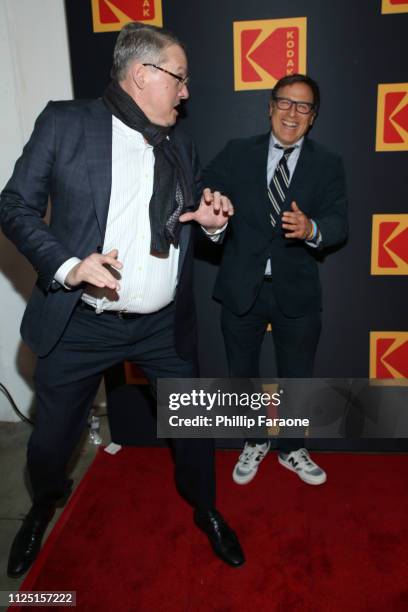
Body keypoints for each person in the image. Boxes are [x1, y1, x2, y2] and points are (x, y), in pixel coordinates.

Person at [0, 22, 245, 578]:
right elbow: (13, 205)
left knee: (194, 428)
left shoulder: (180, 140)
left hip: (161, 326)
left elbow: (190, 218)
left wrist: (211, 225)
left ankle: (204, 508)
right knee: (51, 439)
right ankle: (42, 504)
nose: (186, 92)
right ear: (143, 75)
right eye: (179, 79)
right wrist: (68, 264)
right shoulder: (67, 124)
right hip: (81, 321)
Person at [203, 74, 348, 487]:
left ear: (312, 118)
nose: (292, 112)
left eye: (303, 107)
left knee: (297, 374)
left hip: (297, 289)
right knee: (241, 373)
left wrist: (312, 229)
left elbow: (339, 222)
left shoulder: (328, 163)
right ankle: (254, 440)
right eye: (285, 102)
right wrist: (213, 218)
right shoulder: (236, 153)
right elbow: (204, 191)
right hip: (240, 286)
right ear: (270, 106)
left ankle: (291, 447)